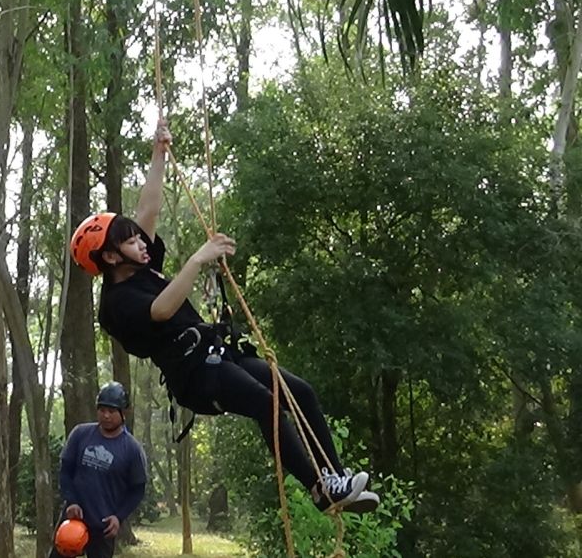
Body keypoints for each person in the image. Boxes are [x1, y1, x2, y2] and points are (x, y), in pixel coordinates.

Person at [69, 122, 380, 514]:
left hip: (219, 355)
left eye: (136, 237)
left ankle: (335, 478)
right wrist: (198, 259)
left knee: (300, 393)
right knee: (266, 404)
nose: (140, 244)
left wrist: (158, 153)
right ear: (111, 257)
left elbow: (148, 208)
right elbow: (161, 310)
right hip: (195, 375)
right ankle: (320, 490)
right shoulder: (116, 302)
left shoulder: (141, 265)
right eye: (129, 241)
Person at [49, 382, 147, 558]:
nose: (106, 415)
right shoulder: (81, 434)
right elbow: (65, 471)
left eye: (112, 411)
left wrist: (119, 517)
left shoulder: (132, 449)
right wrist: (71, 501)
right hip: (73, 520)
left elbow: (137, 489)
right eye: (102, 410)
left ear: (123, 413)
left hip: (104, 526)